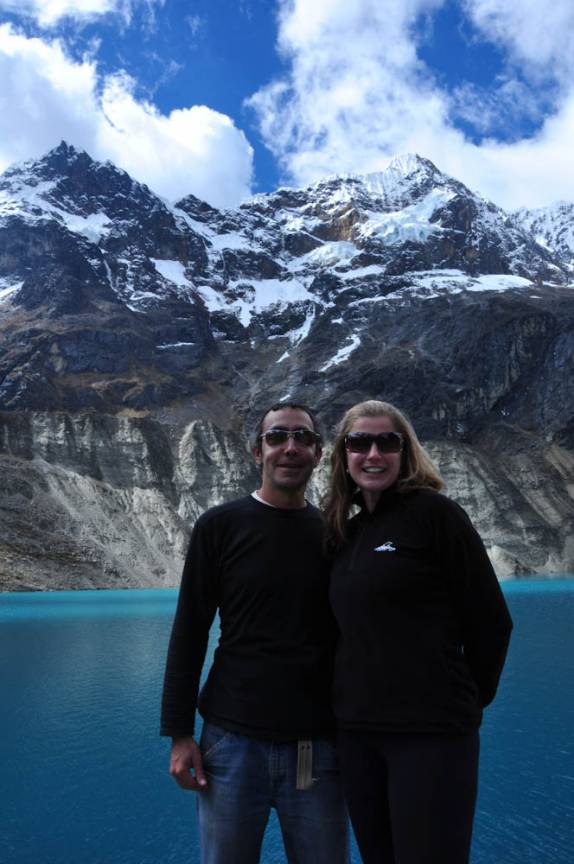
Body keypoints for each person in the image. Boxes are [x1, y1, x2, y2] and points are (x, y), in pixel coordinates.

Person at [322, 399, 513, 864]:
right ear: (344, 455)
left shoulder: (436, 516)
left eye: (387, 442)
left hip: (431, 735)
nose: (373, 454)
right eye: (359, 443)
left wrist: (464, 700)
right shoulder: (346, 532)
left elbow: (491, 620)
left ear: (405, 452)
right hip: (359, 736)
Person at [160, 402, 349, 864]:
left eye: (303, 438)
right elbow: (190, 631)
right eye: (277, 437)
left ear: (318, 453)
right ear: (257, 451)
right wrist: (180, 734)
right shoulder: (219, 527)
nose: (290, 447)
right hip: (231, 742)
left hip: (317, 744)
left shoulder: (336, 533)